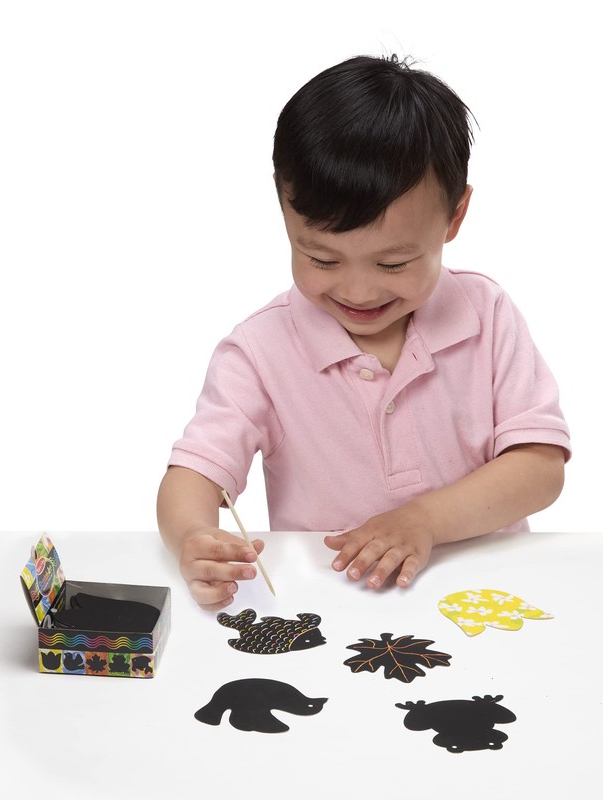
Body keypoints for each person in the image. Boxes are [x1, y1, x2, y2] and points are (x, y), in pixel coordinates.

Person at [157, 54, 571, 611]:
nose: (358, 291)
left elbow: (541, 468)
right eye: (322, 259)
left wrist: (423, 520)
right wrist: (193, 535)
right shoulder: (259, 352)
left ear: (454, 216)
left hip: (488, 594)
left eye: (393, 264)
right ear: (283, 208)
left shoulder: (487, 314)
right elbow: (195, 472)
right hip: (335, 604)